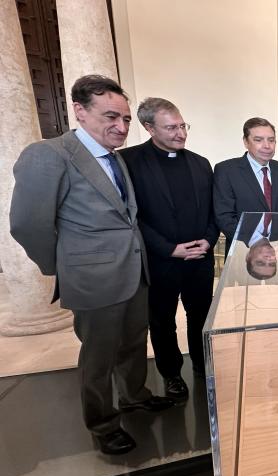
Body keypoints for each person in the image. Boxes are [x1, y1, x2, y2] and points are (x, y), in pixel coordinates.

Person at [10, 75, 173, 455]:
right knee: (99, 355)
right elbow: (28, 224)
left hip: (134, 273)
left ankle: (134, 396)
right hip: (92, 279)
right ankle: (102, 423)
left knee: (134, 342)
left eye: (126, 119)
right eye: (111, 117)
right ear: (79, 111)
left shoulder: (115, 158)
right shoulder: (49, 155)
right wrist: (62, 266)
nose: (122, 126)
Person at [119, 98, 219, 401]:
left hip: (199, 258)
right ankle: (171, 373)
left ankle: (202, 365)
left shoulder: (201, 163)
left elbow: (213, 210)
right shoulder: (129, 162)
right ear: (149, 128)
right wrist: (169, 249)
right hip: (160, 260)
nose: (181, 133)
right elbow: (131, 216)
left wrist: (209, 239)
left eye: (183, 125)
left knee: (201, 316)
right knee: (162, 321)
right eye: (171, 128)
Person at [213, 118, 278, 249]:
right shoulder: (226, 170)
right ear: (245, 142)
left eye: (271, 140)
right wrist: (256, 241)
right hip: (242, 248)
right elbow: (224, 216)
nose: (267, 146)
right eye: (258, 140)